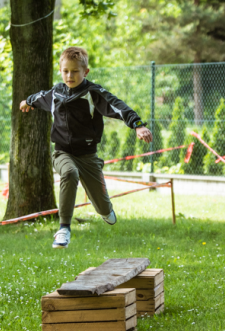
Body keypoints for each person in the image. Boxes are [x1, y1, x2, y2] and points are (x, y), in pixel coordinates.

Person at [19, 46, 153, 249]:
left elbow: (118, 106)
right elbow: (40, 97)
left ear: (85, 72)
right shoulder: (56, 93)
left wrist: (138, 125)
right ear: (60, 70)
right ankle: (64, 228)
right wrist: (27, 101)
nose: (69, 75)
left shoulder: (93, 93)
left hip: (88, 156)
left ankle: (104, 208)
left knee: (105, 209)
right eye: (66, 71)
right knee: (69, 173)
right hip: (62, 152)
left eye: (75, 71)